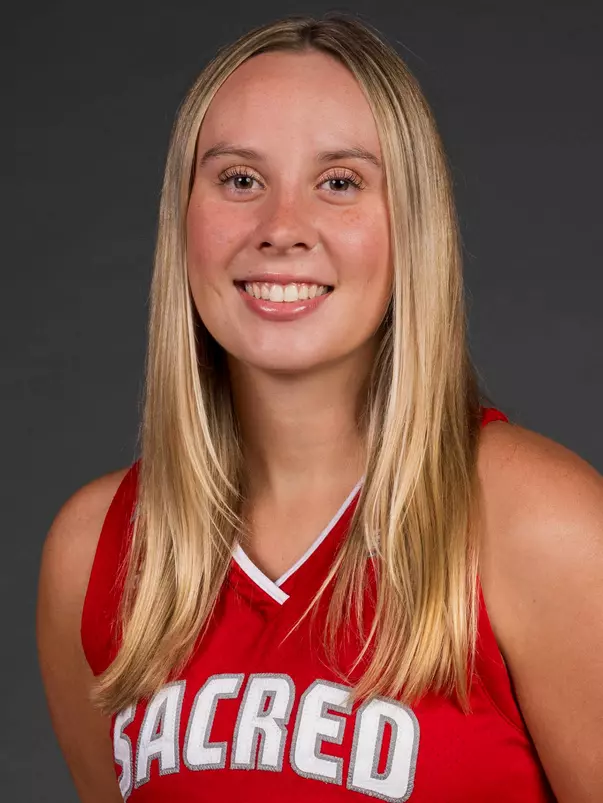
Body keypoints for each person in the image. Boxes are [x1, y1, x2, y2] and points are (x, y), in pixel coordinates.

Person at [36, 13, 602, 803]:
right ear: (184, 218)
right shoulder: (95, 551)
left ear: (412, 225)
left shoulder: (538, 523)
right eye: (239, 179)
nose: (281, 229)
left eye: (339, 182)